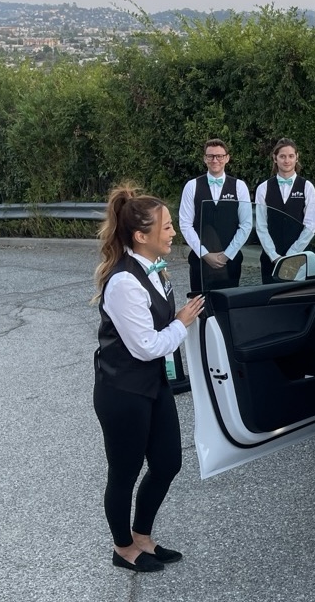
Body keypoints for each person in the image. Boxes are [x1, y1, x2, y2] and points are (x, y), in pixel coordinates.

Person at [93, 184, 205, 572]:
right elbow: (145, 346)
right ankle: (123, 548)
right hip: (122, 390)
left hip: (151, 384)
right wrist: (182, 322)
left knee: (167, 462)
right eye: (168, 227)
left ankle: (143, 535)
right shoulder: (124, 282)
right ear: (142, 236)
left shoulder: (153, 268)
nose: (173, 232)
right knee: (123, 472)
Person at [178, 138, 252, 292]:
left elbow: (246, 224)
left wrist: (227, 254)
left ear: (227, 158)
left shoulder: (239, 186)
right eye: (210, 156)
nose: (215, 160)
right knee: (200, 307)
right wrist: (204, 254)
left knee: (227, 308)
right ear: (205, 158)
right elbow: (185, 224)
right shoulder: (192, 186)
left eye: (219, 156)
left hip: (230, 261)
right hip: (200, 261)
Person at [255, 137, 315, 284]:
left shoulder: (307, 187)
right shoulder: (263, 188)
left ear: (297, 158)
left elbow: (310, 225)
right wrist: (273, 255)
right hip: (270, 258)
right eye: (282, 156)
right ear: (275, 158)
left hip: (299, 257)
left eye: (291, 156)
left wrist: (292, 254)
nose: (287, 160)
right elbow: (261, 225)